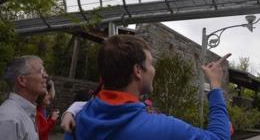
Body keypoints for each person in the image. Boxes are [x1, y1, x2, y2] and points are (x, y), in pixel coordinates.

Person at [63, 34, 231, 140]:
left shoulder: (77, 121)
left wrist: (71, 110)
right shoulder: (164, 129)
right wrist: (215, 86)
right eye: (151, 64)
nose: (153, 69)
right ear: (138, 71)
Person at [0, 55, 48, 140]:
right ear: (22, 80)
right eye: (40, 71)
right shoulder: (10, 119)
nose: (46, 76)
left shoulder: (25, 113)